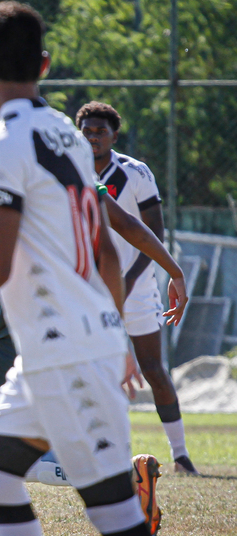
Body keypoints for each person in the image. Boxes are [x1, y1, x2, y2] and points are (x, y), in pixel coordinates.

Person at [0, 3, 167, 536]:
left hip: (66, 351)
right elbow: (105, 250)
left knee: (116, 515)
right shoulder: (69, 137)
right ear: (45, 65)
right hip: (56, 352)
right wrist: (115, 334)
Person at [77, 101, 199, 475]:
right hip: (90, 289)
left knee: (152, 369)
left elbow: (152, 231)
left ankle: (181, 454)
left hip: (139, 287)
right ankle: (98, 452)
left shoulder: (136, 172)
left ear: (114, 135)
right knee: (90, 371)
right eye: (87, 131)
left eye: (100, 131)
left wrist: (129, 280)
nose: (93, 137)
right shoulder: (71, 169)